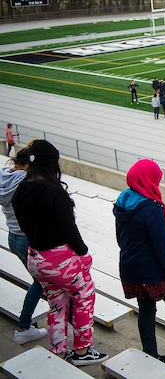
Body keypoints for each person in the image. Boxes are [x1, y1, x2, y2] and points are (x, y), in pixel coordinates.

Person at [12, 140, 108, 365]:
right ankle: (83, 350)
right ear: (51, 165)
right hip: (59, 259)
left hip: (36, 257)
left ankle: (58, 348)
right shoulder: (55, 192)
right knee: (84, 296)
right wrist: (84, 253)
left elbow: (24, 227)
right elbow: (69, 230)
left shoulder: (21, 190)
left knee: (56, 302)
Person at [114, 159, 165, 364]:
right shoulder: (151, 208)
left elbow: (119, 238)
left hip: (130, 267)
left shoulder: (123, 200)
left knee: (146, 309)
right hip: (152, 270)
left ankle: (150, 353)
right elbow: (161, 248)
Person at [0, 145, 47, 345]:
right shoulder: (26, 182)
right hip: (27, 239)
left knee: (43, 282)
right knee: (43, 282)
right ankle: (23, 327)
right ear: (30, 164)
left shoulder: (5, 177)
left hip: (13, 236)